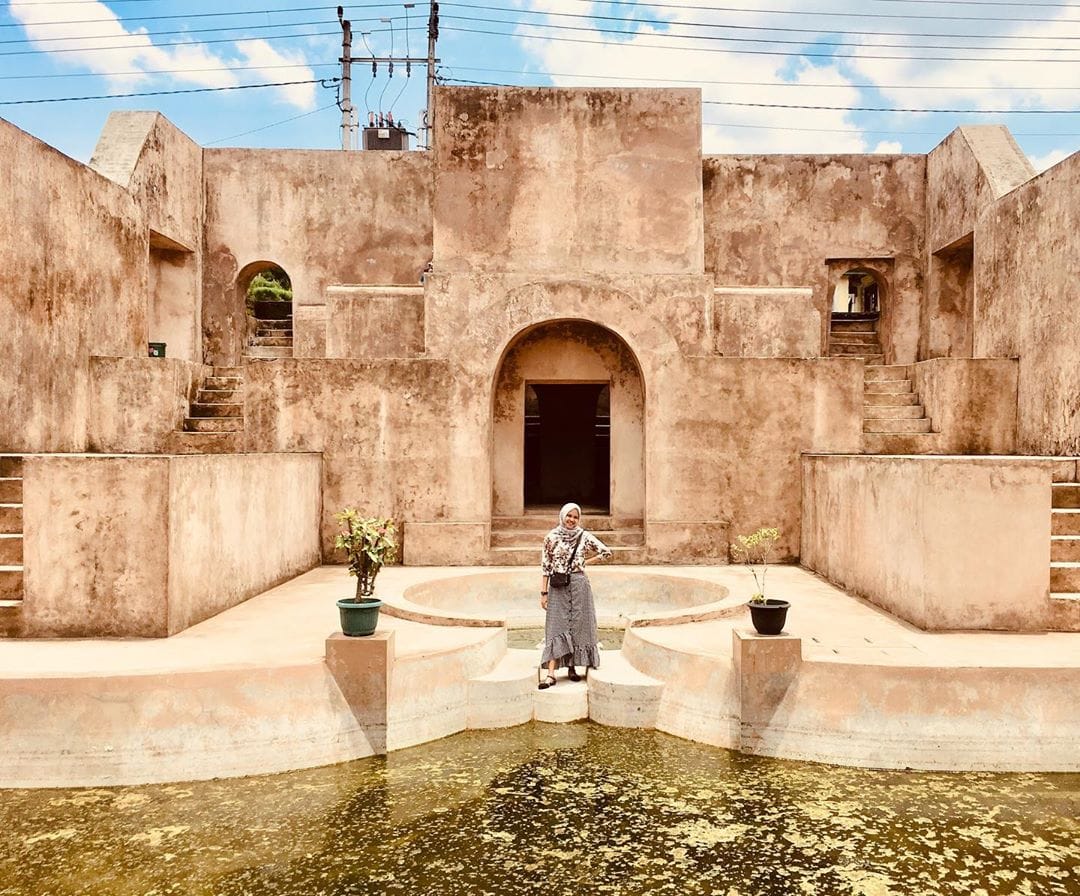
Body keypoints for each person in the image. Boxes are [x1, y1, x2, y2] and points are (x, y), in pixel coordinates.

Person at [538, 502, 612, 690]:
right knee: (555, 627)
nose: (571, 520)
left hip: (579, 585)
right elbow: (546, 567)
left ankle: (572, 668)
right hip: (558, 586)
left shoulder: (583, 536)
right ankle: (551, 674)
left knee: (578, 626)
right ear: (562, 516)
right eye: (568, 516)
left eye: (575, 517)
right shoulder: (551, 537)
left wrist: (583, 563)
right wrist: (543, 593)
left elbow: (606, 552)